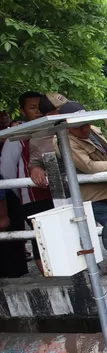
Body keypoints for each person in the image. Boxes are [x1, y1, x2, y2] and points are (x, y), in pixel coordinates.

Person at [57, 102, 107, 277]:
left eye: (85, 123)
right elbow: (89, 166)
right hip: (93, 196)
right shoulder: (63, 141)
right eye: (78, 127)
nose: (84, 129)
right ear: (67, 125)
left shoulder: (93, 130)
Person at [0, 91, 54, 274]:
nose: (38, 111)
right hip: (31, 197)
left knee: (56, 236)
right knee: (40, 240)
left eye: (41, 107)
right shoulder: (16, 137)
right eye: (32, 108)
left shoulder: (52, 131)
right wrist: (22, 191)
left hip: (55, 194)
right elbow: (6, 172)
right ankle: (51, 277)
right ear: (23, 111)